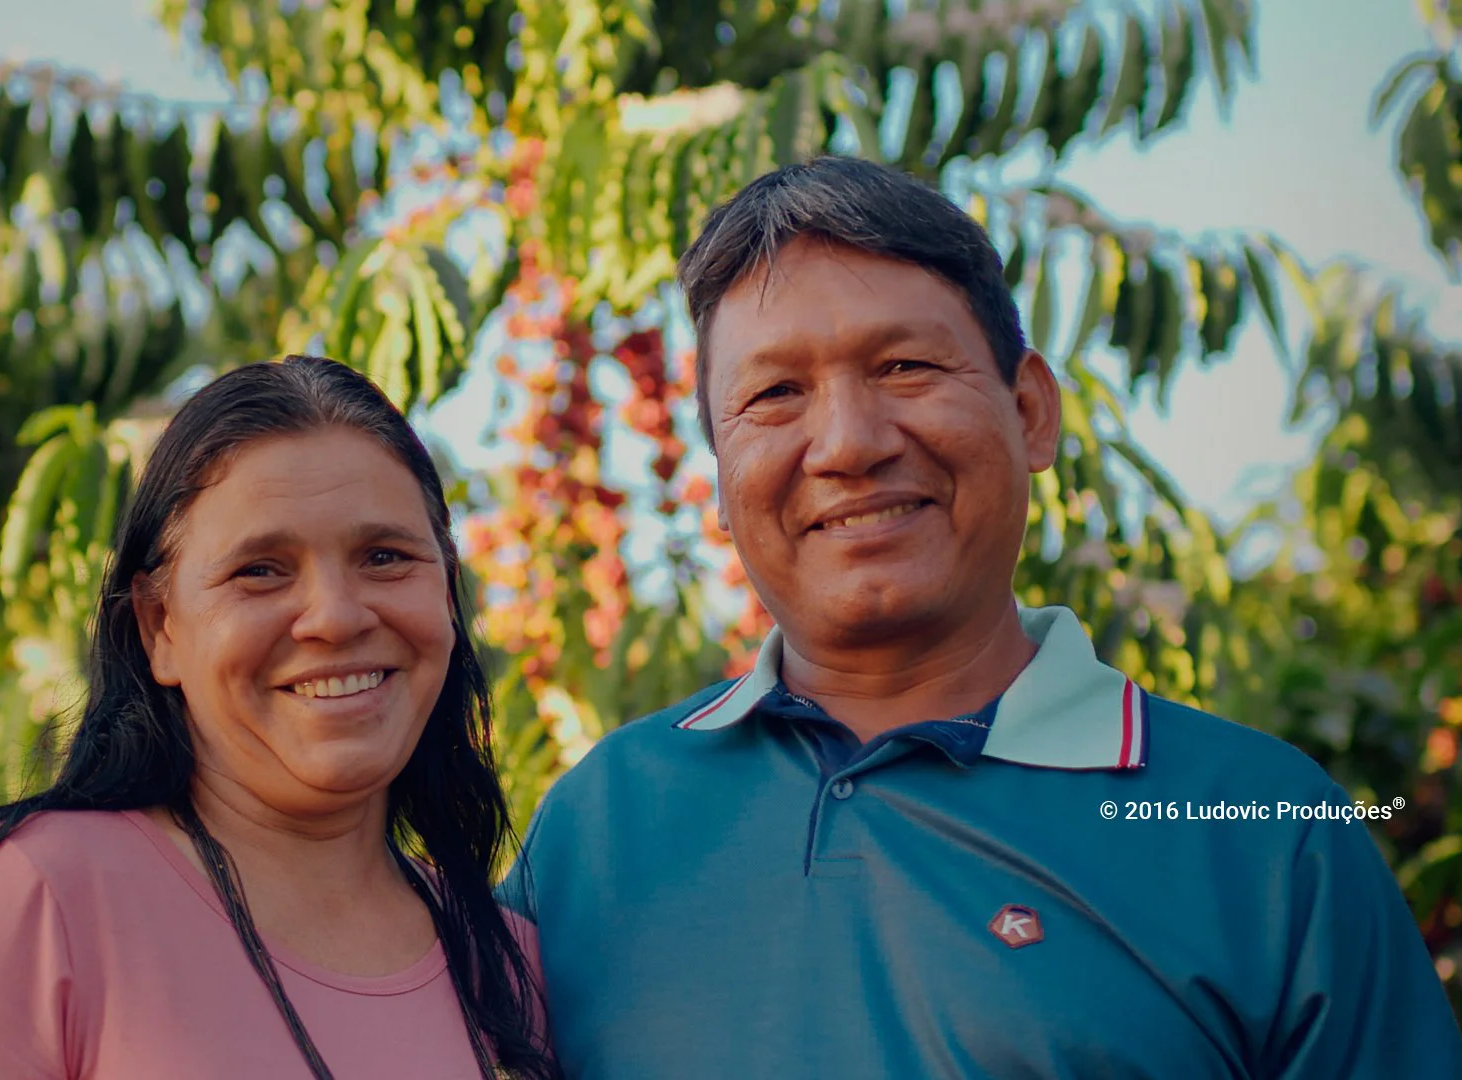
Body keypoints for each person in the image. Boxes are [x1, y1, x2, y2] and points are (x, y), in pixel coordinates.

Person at [500, 156, 1462, 1078]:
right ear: (719, 476)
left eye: (906, 366)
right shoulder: (600, 824)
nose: (847, 443)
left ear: (1032, 412)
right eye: (775, 394)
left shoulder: (1265, 827)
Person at [0, 356, 559, 1079]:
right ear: (159, 627)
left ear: (447, 591)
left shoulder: (508, 963)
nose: (335, 616)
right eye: (260, 570)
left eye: (384, 556)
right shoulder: (47, 899)